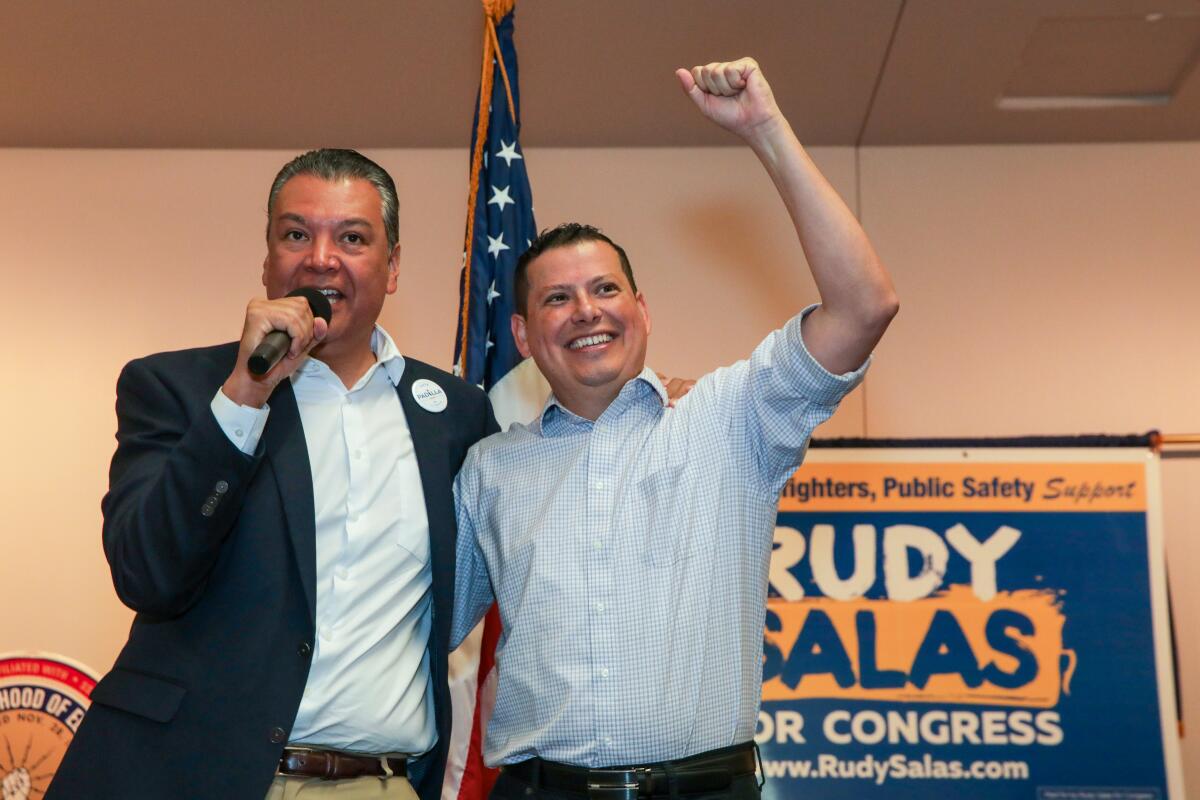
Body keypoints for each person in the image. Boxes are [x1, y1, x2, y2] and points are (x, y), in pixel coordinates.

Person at [450, 58, 899, 800]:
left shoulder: (731, 419)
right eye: (557, 299)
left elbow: (865, 307)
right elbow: (415, 626)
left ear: (642, 310)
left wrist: (765, 131)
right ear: (525, 339)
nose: (586, 310)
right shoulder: (489, 470)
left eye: (604, 289)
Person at [47, 149, 498, 800]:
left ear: (392, 266)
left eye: (352, 237)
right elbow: (146, 573)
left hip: (381, 784)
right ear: (268, 260)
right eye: (295, 234)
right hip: (192, 776)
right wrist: (244, 395)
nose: (320, 257)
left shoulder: (454, 414)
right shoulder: (178, 387)